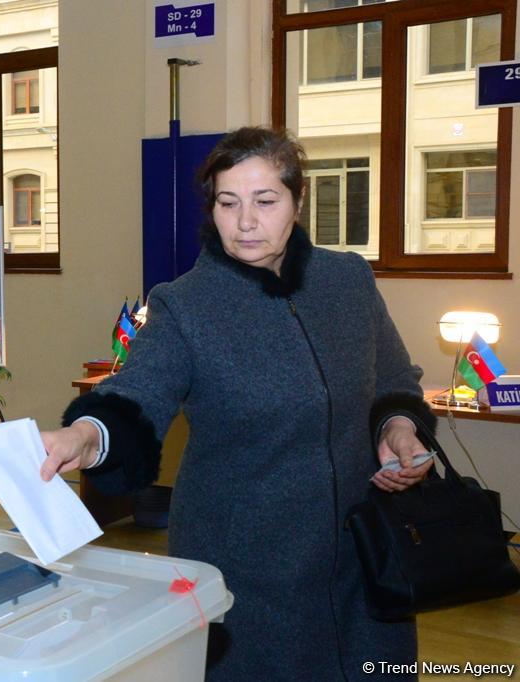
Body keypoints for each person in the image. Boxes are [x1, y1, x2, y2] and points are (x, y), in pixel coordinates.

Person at [40, 127, 436, 682]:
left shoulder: (347, 280)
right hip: (248, 564)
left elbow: (394, 378)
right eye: (229, 203)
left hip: (362, 554)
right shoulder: (184, 305)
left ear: (298, 203)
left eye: (264, 201)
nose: (245, 221)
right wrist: (85, 435)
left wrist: (398, 428)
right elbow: (139, 389)